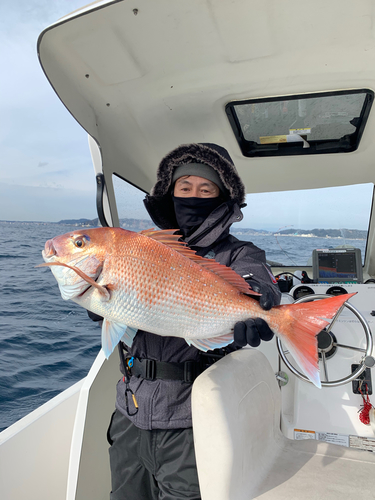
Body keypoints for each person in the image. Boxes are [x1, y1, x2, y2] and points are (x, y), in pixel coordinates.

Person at [106, 143, 281, 500]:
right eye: (184, 187)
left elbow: (259, 282)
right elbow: (122, 310)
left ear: (223, 197)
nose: (193, 196)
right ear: (169, 194)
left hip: (191, 417)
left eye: (206, 189)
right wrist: (102, 302)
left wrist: (258, 302)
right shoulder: (143, 247)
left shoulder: (239, 252)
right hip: (130, 409)